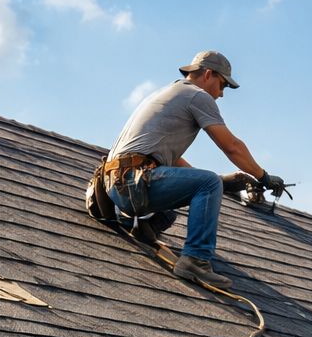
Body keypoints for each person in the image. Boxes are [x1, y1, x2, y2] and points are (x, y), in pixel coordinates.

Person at [97, 51, 285, 287]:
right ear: (208, 74)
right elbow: (232, 147)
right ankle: (196, 259)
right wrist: (263, 176)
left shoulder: (168, 93)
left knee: (206, 183)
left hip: (117, 185)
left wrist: (221, 182)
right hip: (133, 182)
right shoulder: (196, 96)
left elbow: (171, 160)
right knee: (208, 182)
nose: (221, 93)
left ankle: (140, 223)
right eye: (222, 84)